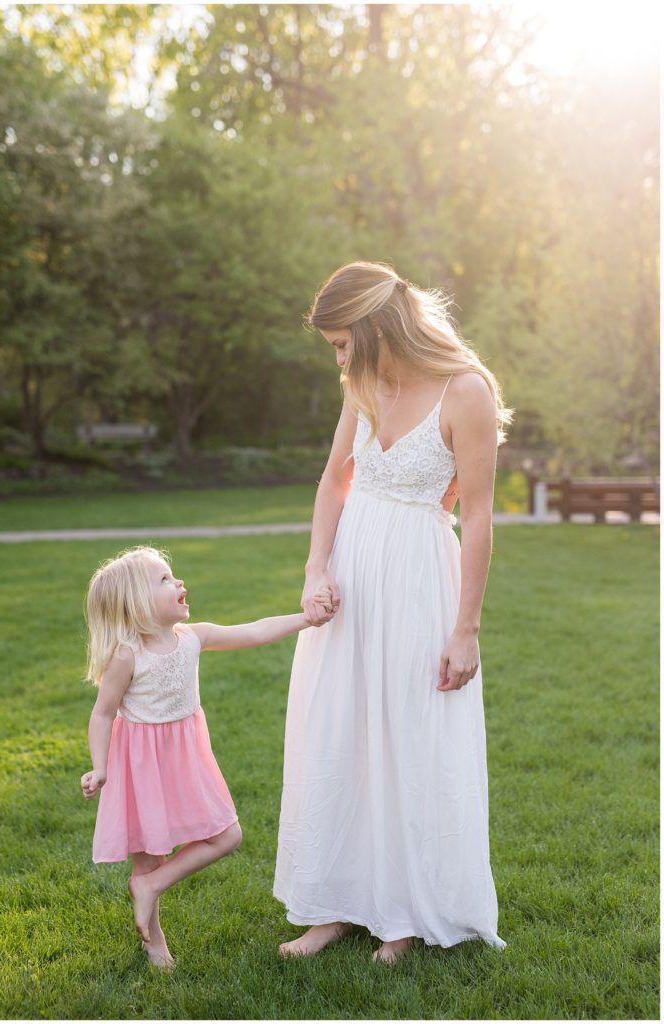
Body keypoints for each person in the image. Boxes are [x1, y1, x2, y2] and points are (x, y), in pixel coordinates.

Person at [274, 261, 513, 962]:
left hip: (417, 579)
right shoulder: (363, 384)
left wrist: (465, 630)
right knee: (339, 731)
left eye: (344, 343)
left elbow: (477, 517)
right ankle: (334, 905)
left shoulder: (465, 390)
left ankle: (402, 913)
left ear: (377, 326)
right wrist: (316, 568)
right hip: (352, 575)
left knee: (408, 735)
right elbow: (333, 478)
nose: (340, 359)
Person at [81, 545, 334, 968]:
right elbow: (102, 713)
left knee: (227, 835)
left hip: (185, 757)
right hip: (141, 765)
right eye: (164, 580)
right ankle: (154, 940)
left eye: (172, 575)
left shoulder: (193, 637)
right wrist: (100, 767)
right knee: (149, 852)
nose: (178, 582)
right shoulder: (127, 656)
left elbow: (254, 630)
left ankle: (151, 885)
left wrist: (306, 619)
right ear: (137, 603)